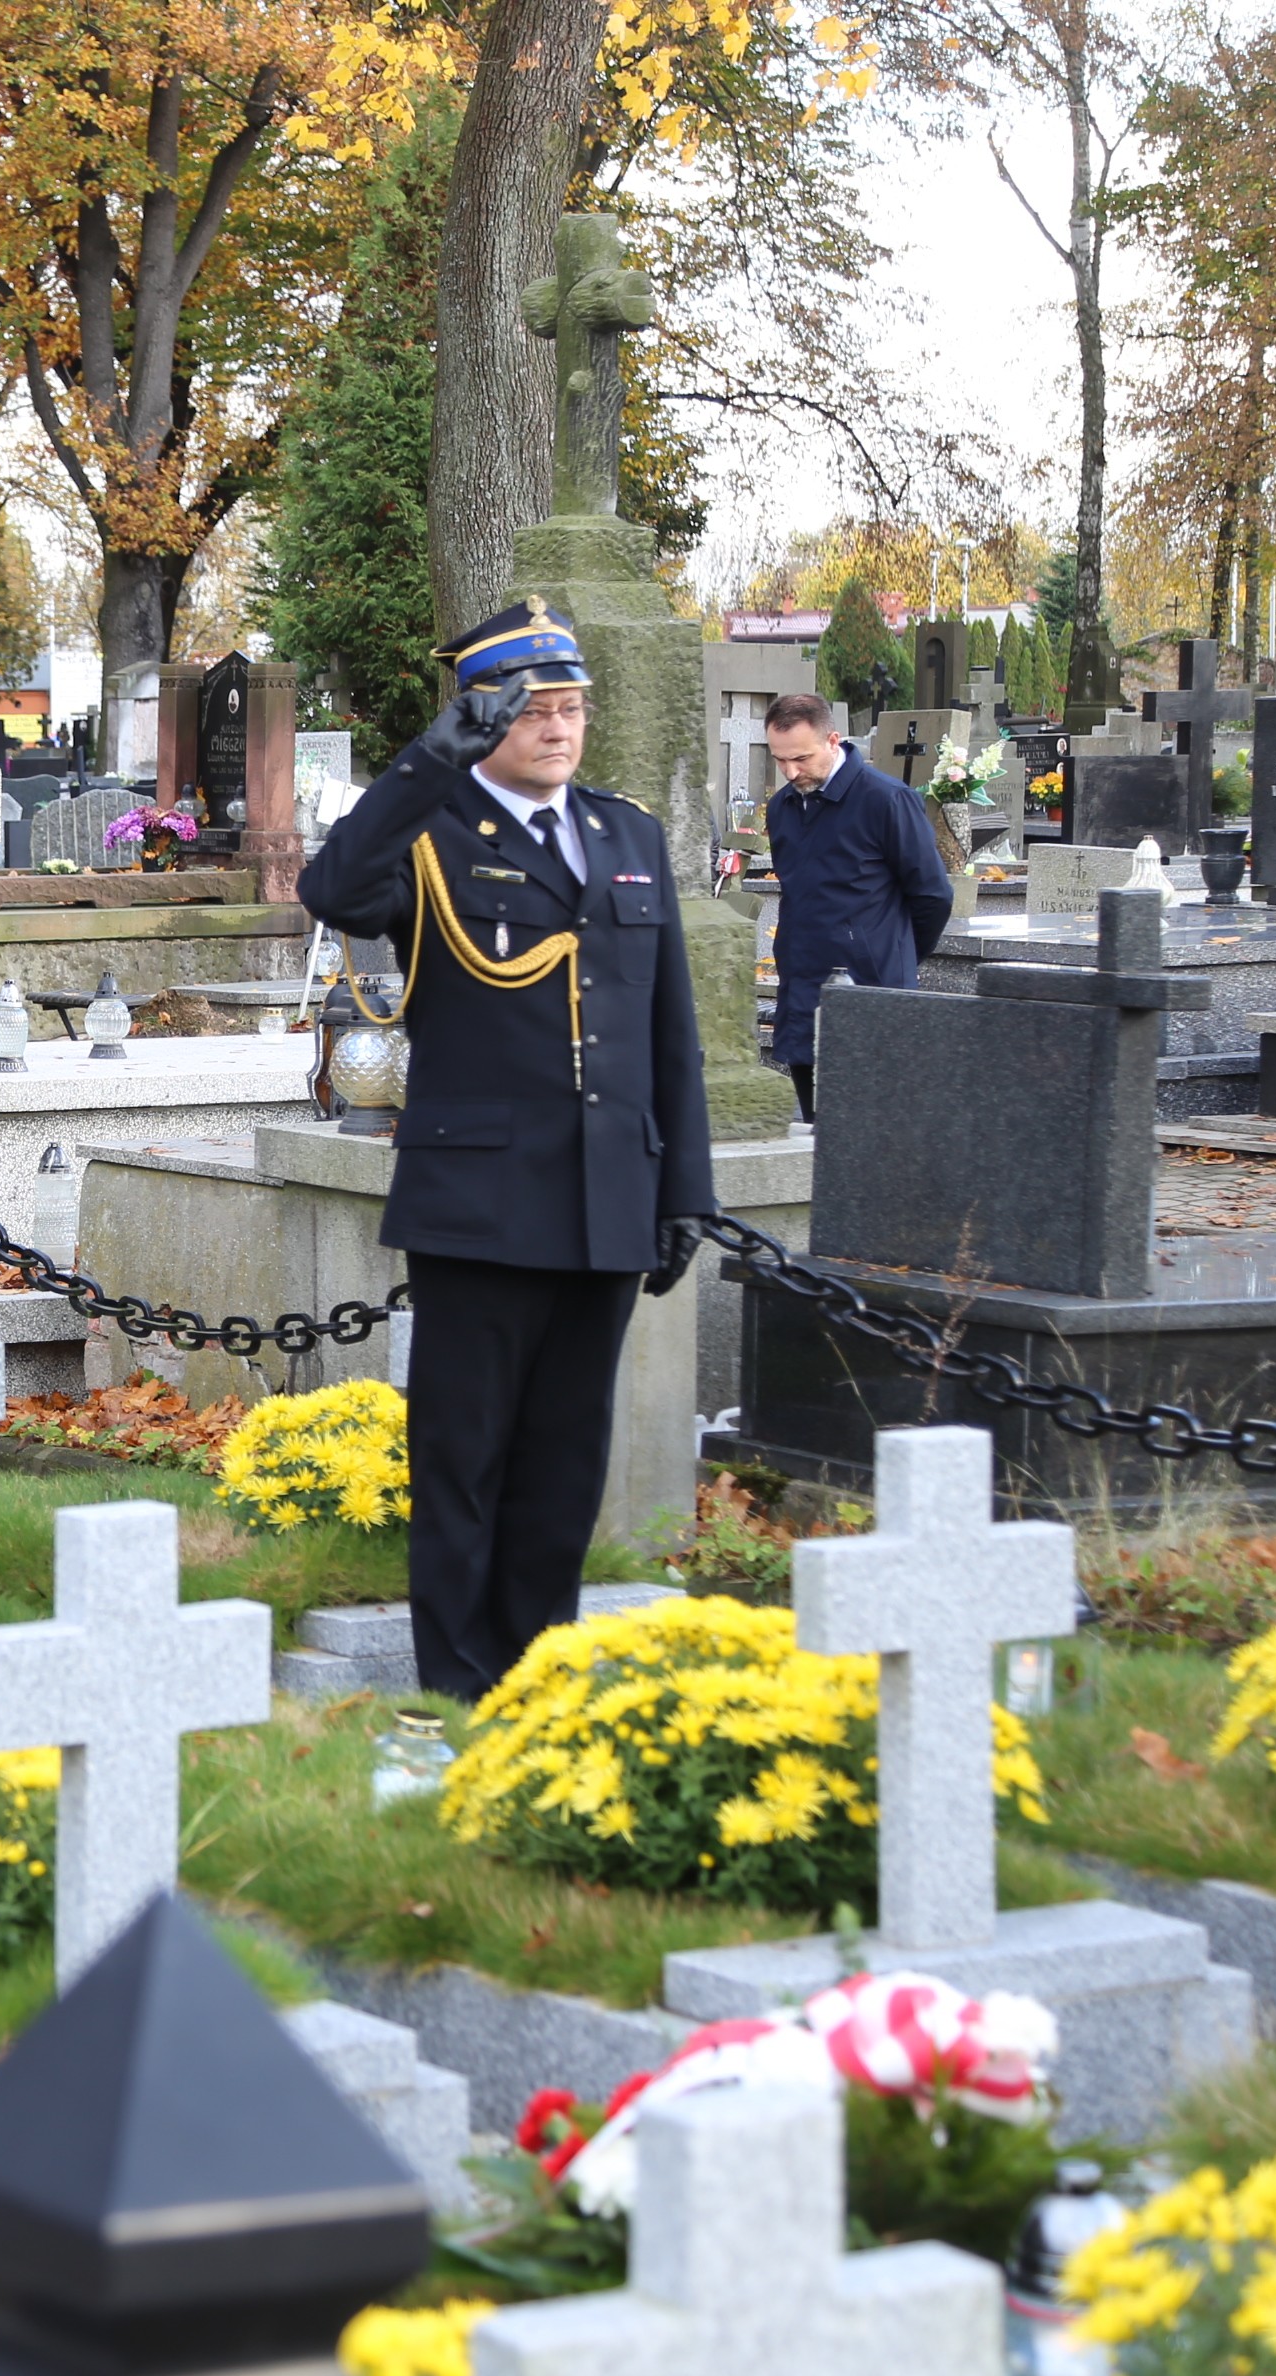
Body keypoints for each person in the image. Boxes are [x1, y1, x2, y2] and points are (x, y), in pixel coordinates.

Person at [293, 599, 715, 1703]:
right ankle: (457, 1686)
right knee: (465, 1465)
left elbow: (670, 1028)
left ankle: (539, 1680)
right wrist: (430, 762)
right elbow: (332, 889)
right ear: (484, 720)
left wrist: (684, 1189)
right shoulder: (430, 833)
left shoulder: (628, 836)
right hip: (478, 1202)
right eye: (534, 711)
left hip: (605, 1200)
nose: (560, 729)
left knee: (564, 1470)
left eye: (573, 709)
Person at [756, 692, 950, 1123]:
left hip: (872, 986)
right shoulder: (783, 807)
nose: (790, 772)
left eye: (801, 758)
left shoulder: (885, 800)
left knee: (876, 1131)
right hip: (804, 984)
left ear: (833, 740)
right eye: (780, 760)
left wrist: (893, 952)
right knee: (814, 1131)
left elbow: (932, 894)